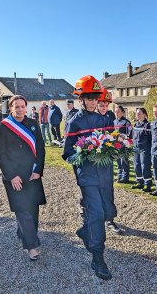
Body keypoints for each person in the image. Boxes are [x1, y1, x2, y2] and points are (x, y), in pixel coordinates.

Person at [63, 75, 114, 281]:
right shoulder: (74, 122)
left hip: (106, 175)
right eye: (89, 98)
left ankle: (86, 231)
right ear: (81, 99)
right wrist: (83, 153)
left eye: (95, 98)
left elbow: (113, 144)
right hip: (88, 177)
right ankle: (97, 257)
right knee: (96, 214)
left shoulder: (106, 119)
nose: (93, 102)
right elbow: (67, 153)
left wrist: (117, 148)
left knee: (108, 212)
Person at [0, 95, 46, 260]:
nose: (19, 109)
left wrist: (38, 169)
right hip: (14, 175)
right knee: (22, 210)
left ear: (26, 107)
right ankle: (32, 246)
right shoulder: (3, 126)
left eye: (22, 106)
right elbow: (0, 154)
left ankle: (25, 234)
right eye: (16, 107)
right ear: (10, 108)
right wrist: (11, 176)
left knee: (32, 209)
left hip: (32, 174)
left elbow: (40, 147)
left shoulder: (33, 124)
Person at [96, 88, 123, 235]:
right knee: (92, 187)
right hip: (93, 160)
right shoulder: (90, 118)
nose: (103, 108)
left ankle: (110, 219)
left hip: (106, 160)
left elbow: (112, 136)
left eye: (106, 105)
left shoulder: (109, 118)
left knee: (107, 188)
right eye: (101, 105)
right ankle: (86, 209)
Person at [131, 108, 152, 192]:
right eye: (137, 113)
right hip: (136, 148)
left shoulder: (148, 125)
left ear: (144, 114)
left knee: (145, 165)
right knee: (136, 165)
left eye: (139, 113)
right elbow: (132, 136)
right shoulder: (135, 125)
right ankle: (139, 182)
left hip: (145, 148)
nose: (137, 115)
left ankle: (147, 184)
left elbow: (151, 138)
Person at [114, 105, 132, 184]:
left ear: (123, 112)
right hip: (116, 144)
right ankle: (119, 176)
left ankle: (125, 178)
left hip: (124, 145)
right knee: (118, 161)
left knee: (124, 161)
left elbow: (130, 133)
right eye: (115, 112)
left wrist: (125, 139)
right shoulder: (114, 121)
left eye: (118, 112)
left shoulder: (126, 122)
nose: (116, 113)